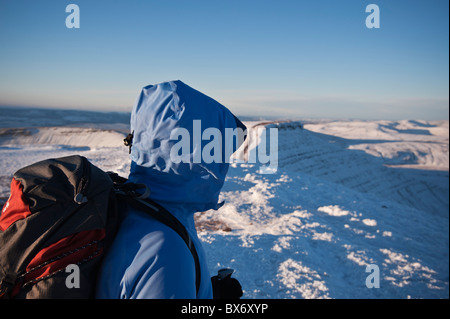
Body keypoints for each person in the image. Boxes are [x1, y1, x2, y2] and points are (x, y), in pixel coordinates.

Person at [96, 80, 246, 299]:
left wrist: (208, 292)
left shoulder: (137, 207)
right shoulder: (166, 249)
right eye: (218, 153)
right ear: (197, 157)